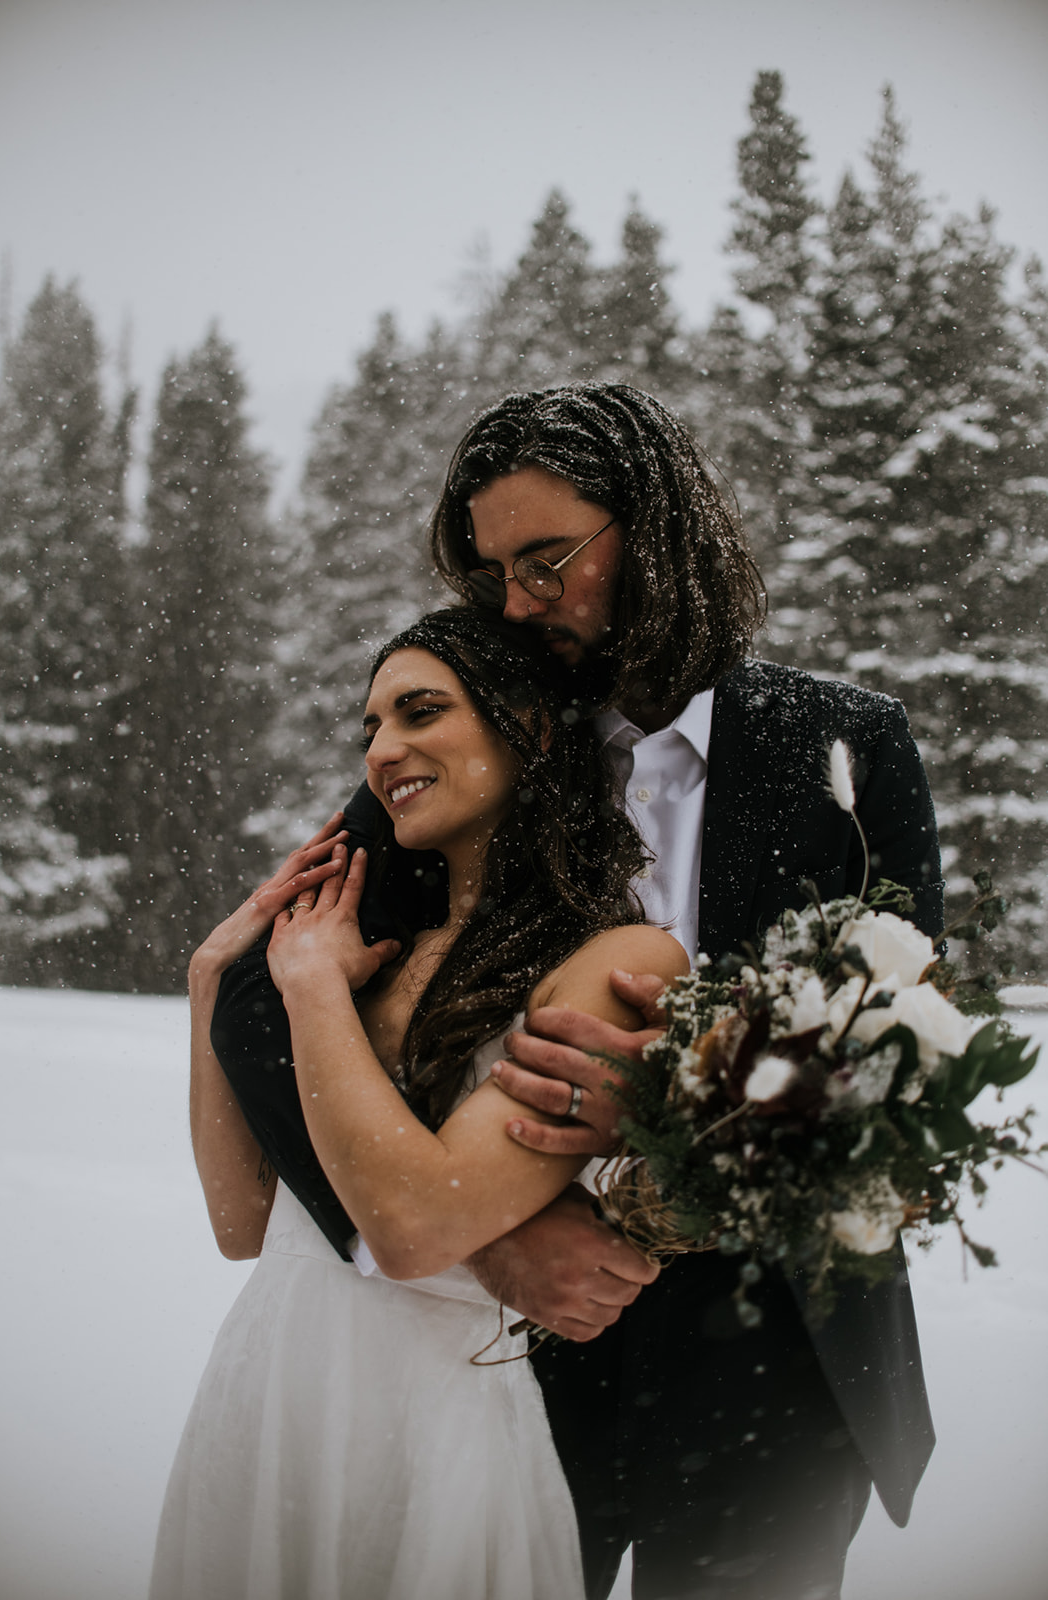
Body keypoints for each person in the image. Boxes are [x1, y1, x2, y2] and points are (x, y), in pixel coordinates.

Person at [211, 383, 942, 1600]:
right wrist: (481, 1237)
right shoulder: (491, 735)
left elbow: (900, 1048)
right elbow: (266, 1001)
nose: (516, 601)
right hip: (517, 1363)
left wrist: (688, 1121)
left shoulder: (847, 750)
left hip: (783, 1362)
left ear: (654, 530)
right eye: (494, 570)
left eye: (546, 559)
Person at [149, 608, 688, 1600]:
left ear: (528, 726)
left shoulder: (617, 960)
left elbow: (410, 1226)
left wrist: (311, 990)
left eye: (419, 711)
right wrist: (212, 976)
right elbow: (244, 1221)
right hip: (272, 1393)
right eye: (369, 729)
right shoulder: (373, 940)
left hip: (433, 1425)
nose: (382, 749)